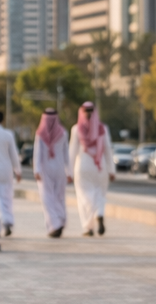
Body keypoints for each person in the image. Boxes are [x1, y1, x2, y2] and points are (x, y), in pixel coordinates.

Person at [69, 101, 114, 236]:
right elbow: (108, 150)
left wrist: (68, 172)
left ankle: (88, 227)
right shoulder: (103, 129)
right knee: (100, 194)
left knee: (84, 197)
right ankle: (99, 214)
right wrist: (111, 170)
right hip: (101, 167)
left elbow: (72, 152)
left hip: (83, 167)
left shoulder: (77, 129)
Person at [33, 108, 70, 237]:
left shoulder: (40, 133)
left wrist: (36, 170)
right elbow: (66, 154)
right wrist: (68, 171)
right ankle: (60, 219)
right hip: (59, 168)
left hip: (45, 169)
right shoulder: (63, 132)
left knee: (47, 197)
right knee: (59, 196)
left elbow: (37, 153)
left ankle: (55, 224)